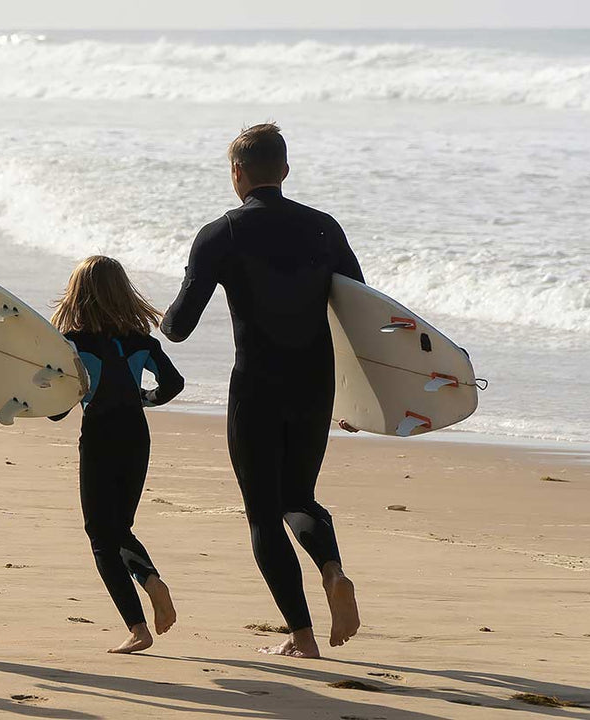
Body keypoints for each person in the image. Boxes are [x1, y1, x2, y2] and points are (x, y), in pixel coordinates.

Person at [161, 124, 362, 658]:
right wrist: (362, 396)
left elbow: (179, 326)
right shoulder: (324, 228)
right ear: (285, 171)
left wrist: (159, 318)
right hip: (315, 383)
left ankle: (301, 636)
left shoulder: (221, 234)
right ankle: (334, 569)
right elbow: (360, 311)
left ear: (237, 173)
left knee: (261, 513)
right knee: (300, 497)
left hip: (257, 385)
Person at [49, 256, 185, 654]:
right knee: (119, 527)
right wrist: (143, 398)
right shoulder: (142, 340)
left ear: (77, 296)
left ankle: (139, 623)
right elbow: (173, 384)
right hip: (135, 437)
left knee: (100, 535)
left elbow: (58, 409)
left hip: (99, 437)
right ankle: (150, 583)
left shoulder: (71, 345)